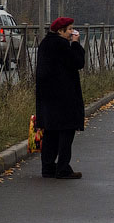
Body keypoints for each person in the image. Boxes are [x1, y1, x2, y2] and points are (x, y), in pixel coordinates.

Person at [35, 16, 86, 179]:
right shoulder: (62, 45)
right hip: (64, 97)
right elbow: (77, 63)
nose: (72, 32)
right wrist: (76, 44)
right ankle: (63, 168)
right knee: (66, 131)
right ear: (60, 31)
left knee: (50, 131)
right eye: (69, 29)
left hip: (47, 96)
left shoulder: (45, 43)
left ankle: (48, 167)